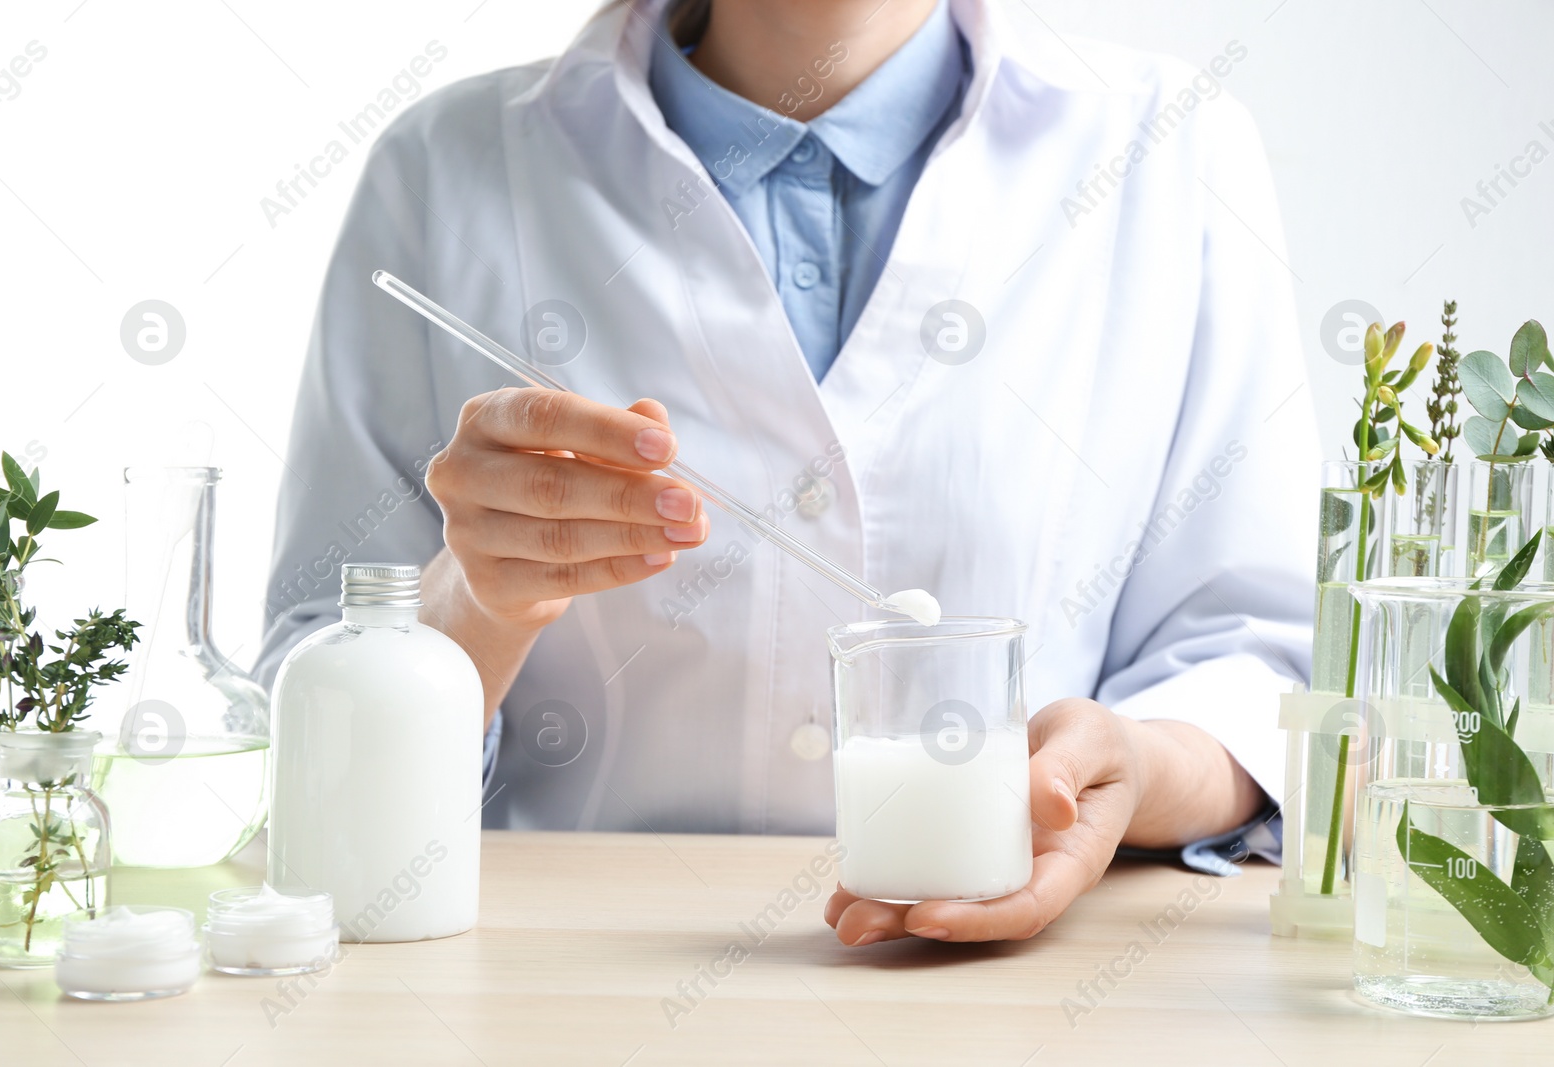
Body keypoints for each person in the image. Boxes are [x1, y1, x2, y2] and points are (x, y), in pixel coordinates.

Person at [258, 0, 1315, 947]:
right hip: (557, 984)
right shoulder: (447, 166)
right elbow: (303, 719)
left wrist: (1131, 766)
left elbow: (1255, 659)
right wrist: (476, 600)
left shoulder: (1172, 146)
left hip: (1011, 995)